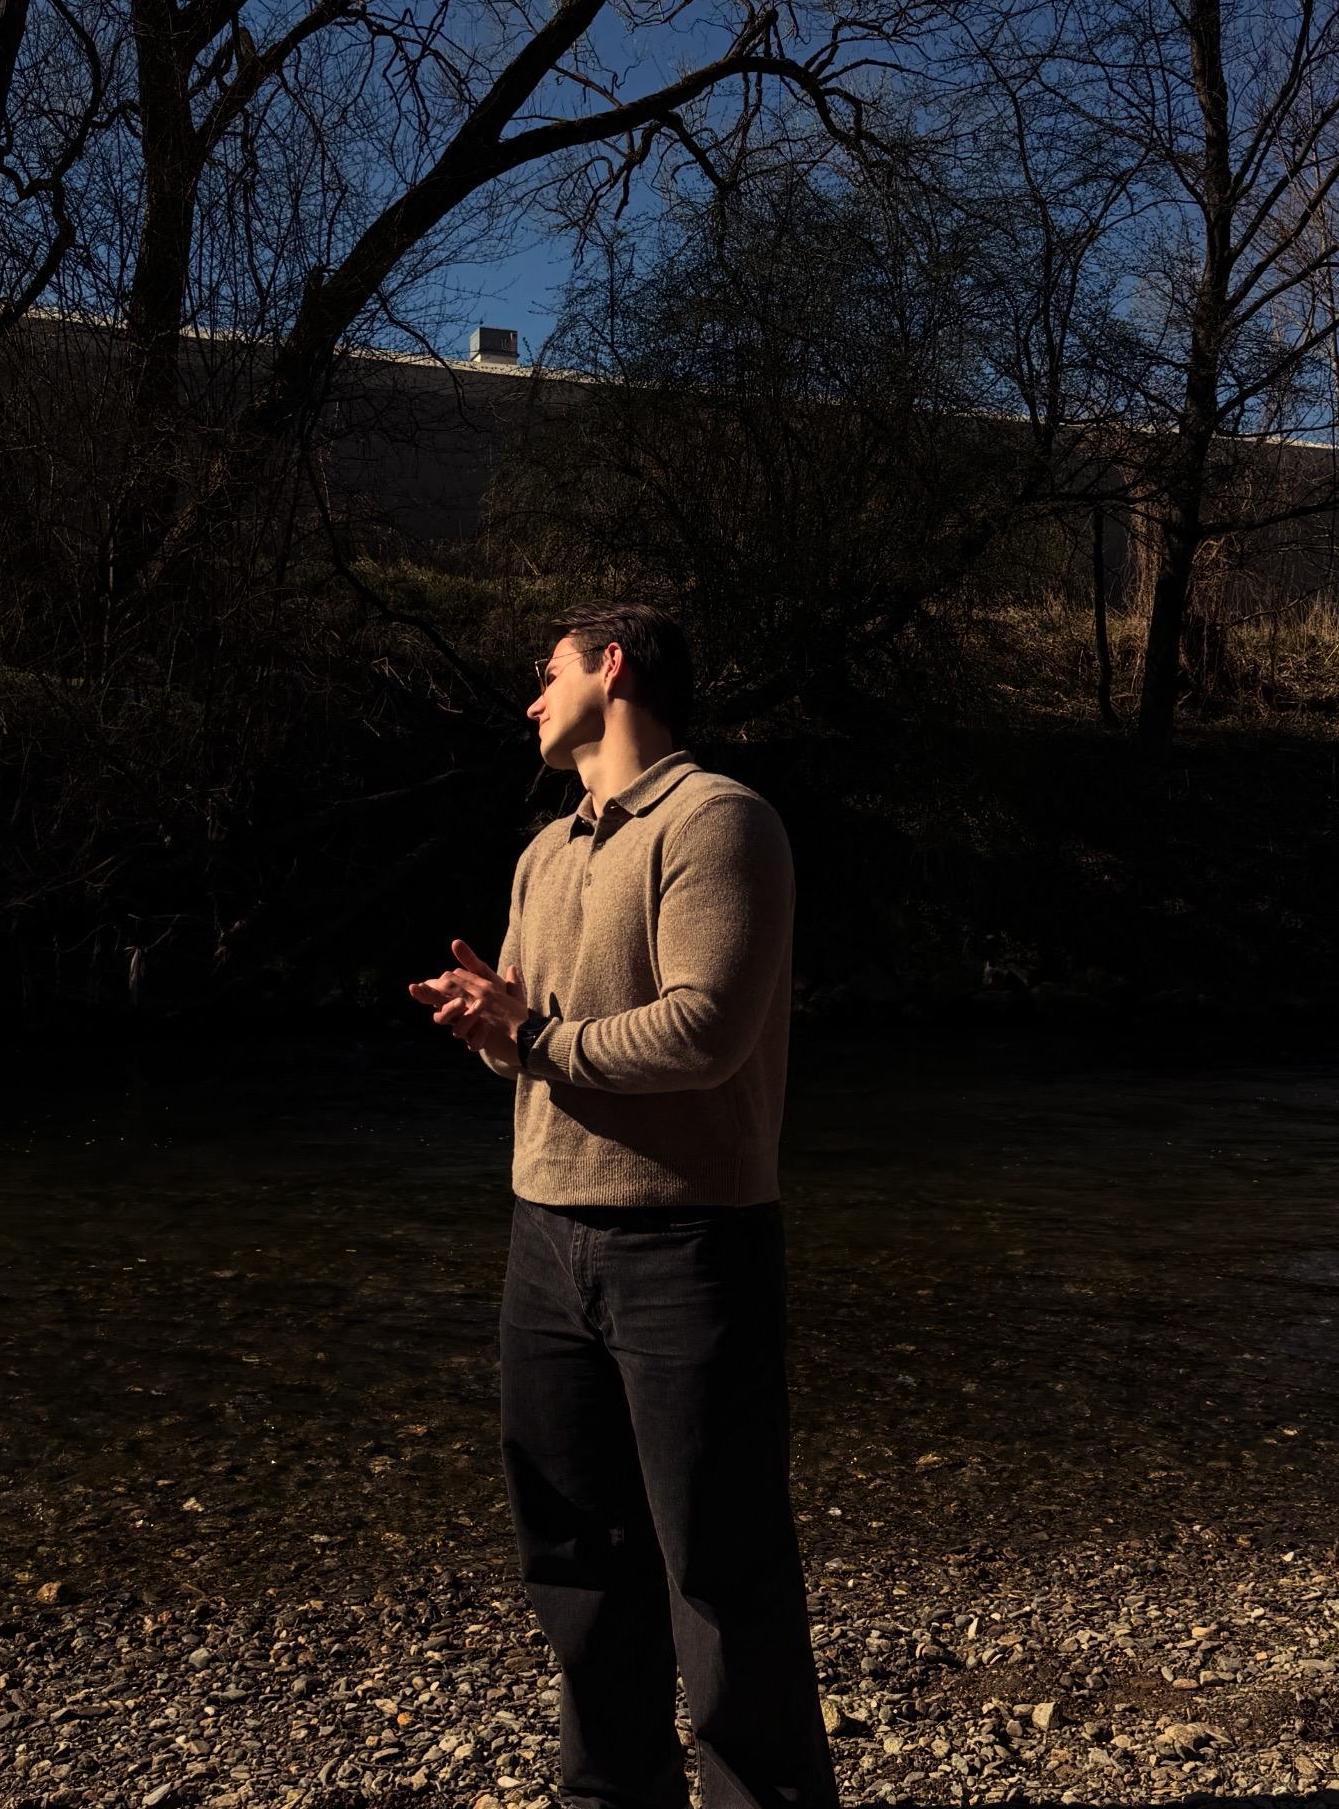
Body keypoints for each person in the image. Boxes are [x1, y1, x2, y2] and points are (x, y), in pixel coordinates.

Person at [407, 602, 839, 1809]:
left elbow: (704, 1031)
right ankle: (613, 1794)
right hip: (544, 1240)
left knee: (721, 1567)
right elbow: (531, 1052)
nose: (532, 700)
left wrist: (532, 1030)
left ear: (614, 666)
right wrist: (493, 1026)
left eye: (545, 673)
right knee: (575, 1555)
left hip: (691, 1241)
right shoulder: (544, 852)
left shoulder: (720, 823)